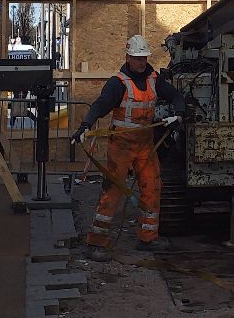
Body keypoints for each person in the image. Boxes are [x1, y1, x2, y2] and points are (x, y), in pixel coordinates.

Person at [72, 34, 185, 259]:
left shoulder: (154, 79)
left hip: (145, 145)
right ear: (128, 57)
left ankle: (148, 238)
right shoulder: (118, 83)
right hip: (121, 146)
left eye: (143, 58)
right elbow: (101, 105)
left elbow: (175, 96)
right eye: (137, 58)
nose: (141, 62)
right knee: (112, 192)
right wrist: (85, 125)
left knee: (152, 188)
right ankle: (96, 242)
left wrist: (179, 114)